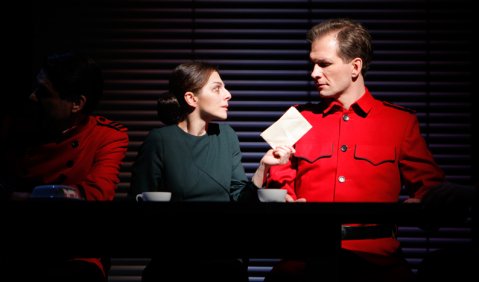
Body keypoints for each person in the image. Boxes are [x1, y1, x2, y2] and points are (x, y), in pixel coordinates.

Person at [264, 18, 445, 282]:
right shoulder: (294, 118)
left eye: (324, 64)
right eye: (312, 64)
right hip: (307, 261)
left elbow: (432, 189)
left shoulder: (400, 121)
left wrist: (427, 203)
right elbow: (274, 185)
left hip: (377, 264)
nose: (314, 73)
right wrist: (283, 200)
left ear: (355, 67)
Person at [129, 61, 295, 282]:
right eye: (217, 88)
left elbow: (240, 199)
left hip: (224, 258)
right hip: (175, 261)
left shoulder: (227, 136)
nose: (228, 95)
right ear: (191, 98)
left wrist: (263, 166)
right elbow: (136, 204)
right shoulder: (160, 140)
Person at [2, 50, 129, 281]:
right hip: (21, 243)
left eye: (44, 93)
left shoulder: (106, 136)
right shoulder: (15, 129)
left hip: (76, 248)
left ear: (76, 103)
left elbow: (97, 193)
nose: (32, 97)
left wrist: (27, 198)